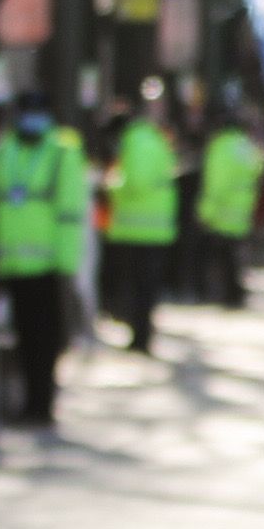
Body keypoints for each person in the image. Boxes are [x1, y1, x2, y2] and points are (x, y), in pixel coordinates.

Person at [0, 93, 88, 423]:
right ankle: (30, 403)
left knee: (47, 339)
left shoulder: (63, 152)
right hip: (13, 264)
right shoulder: (2, 151)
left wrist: (66, 264)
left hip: (48, 266)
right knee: (23, 337)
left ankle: (42, 402)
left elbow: (70, 211)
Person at [102, 87, 181, 354]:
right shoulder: (155, 139)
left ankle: (140, 337)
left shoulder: (135, 142)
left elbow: (134, 182)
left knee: (138, 287)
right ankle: (142, 335)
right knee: (147, 287)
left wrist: (111, 186)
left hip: (136, 228)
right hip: (157, 227)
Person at [193, 107, 264, 310]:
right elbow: (257, 169)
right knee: (235, 255)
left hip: (221, 211)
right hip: (243, 208)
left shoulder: (220, 146)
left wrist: (206, 211)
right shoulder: (246, 145)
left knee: (218, 256)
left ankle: (221, 294)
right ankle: (236, 293)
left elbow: (216, 182)